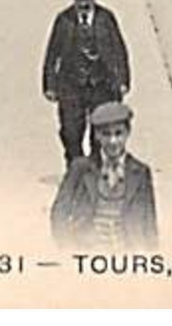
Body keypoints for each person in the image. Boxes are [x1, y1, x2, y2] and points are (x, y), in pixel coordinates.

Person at [42, 0, 131, 163]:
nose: (83, 5)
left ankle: (95, 168)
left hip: (101, 84)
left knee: (100, 129)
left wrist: (123, 80)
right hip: (71, 85)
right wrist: (49, 85)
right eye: (79, 1)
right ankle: (75, 169)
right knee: (71, 131)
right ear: (74, 0)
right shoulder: (64, 20)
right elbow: (52, 53)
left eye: (88, 0)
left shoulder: (106, 19)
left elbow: (119, 50)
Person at [49, 102, 158, 251]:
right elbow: (59, 212)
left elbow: (150, 226)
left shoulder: (140, 173)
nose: (113, 141)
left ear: (127, 133)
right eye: (106, 134)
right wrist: (67, 247)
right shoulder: (80, 169)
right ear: (98, 136)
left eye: (118, 133)